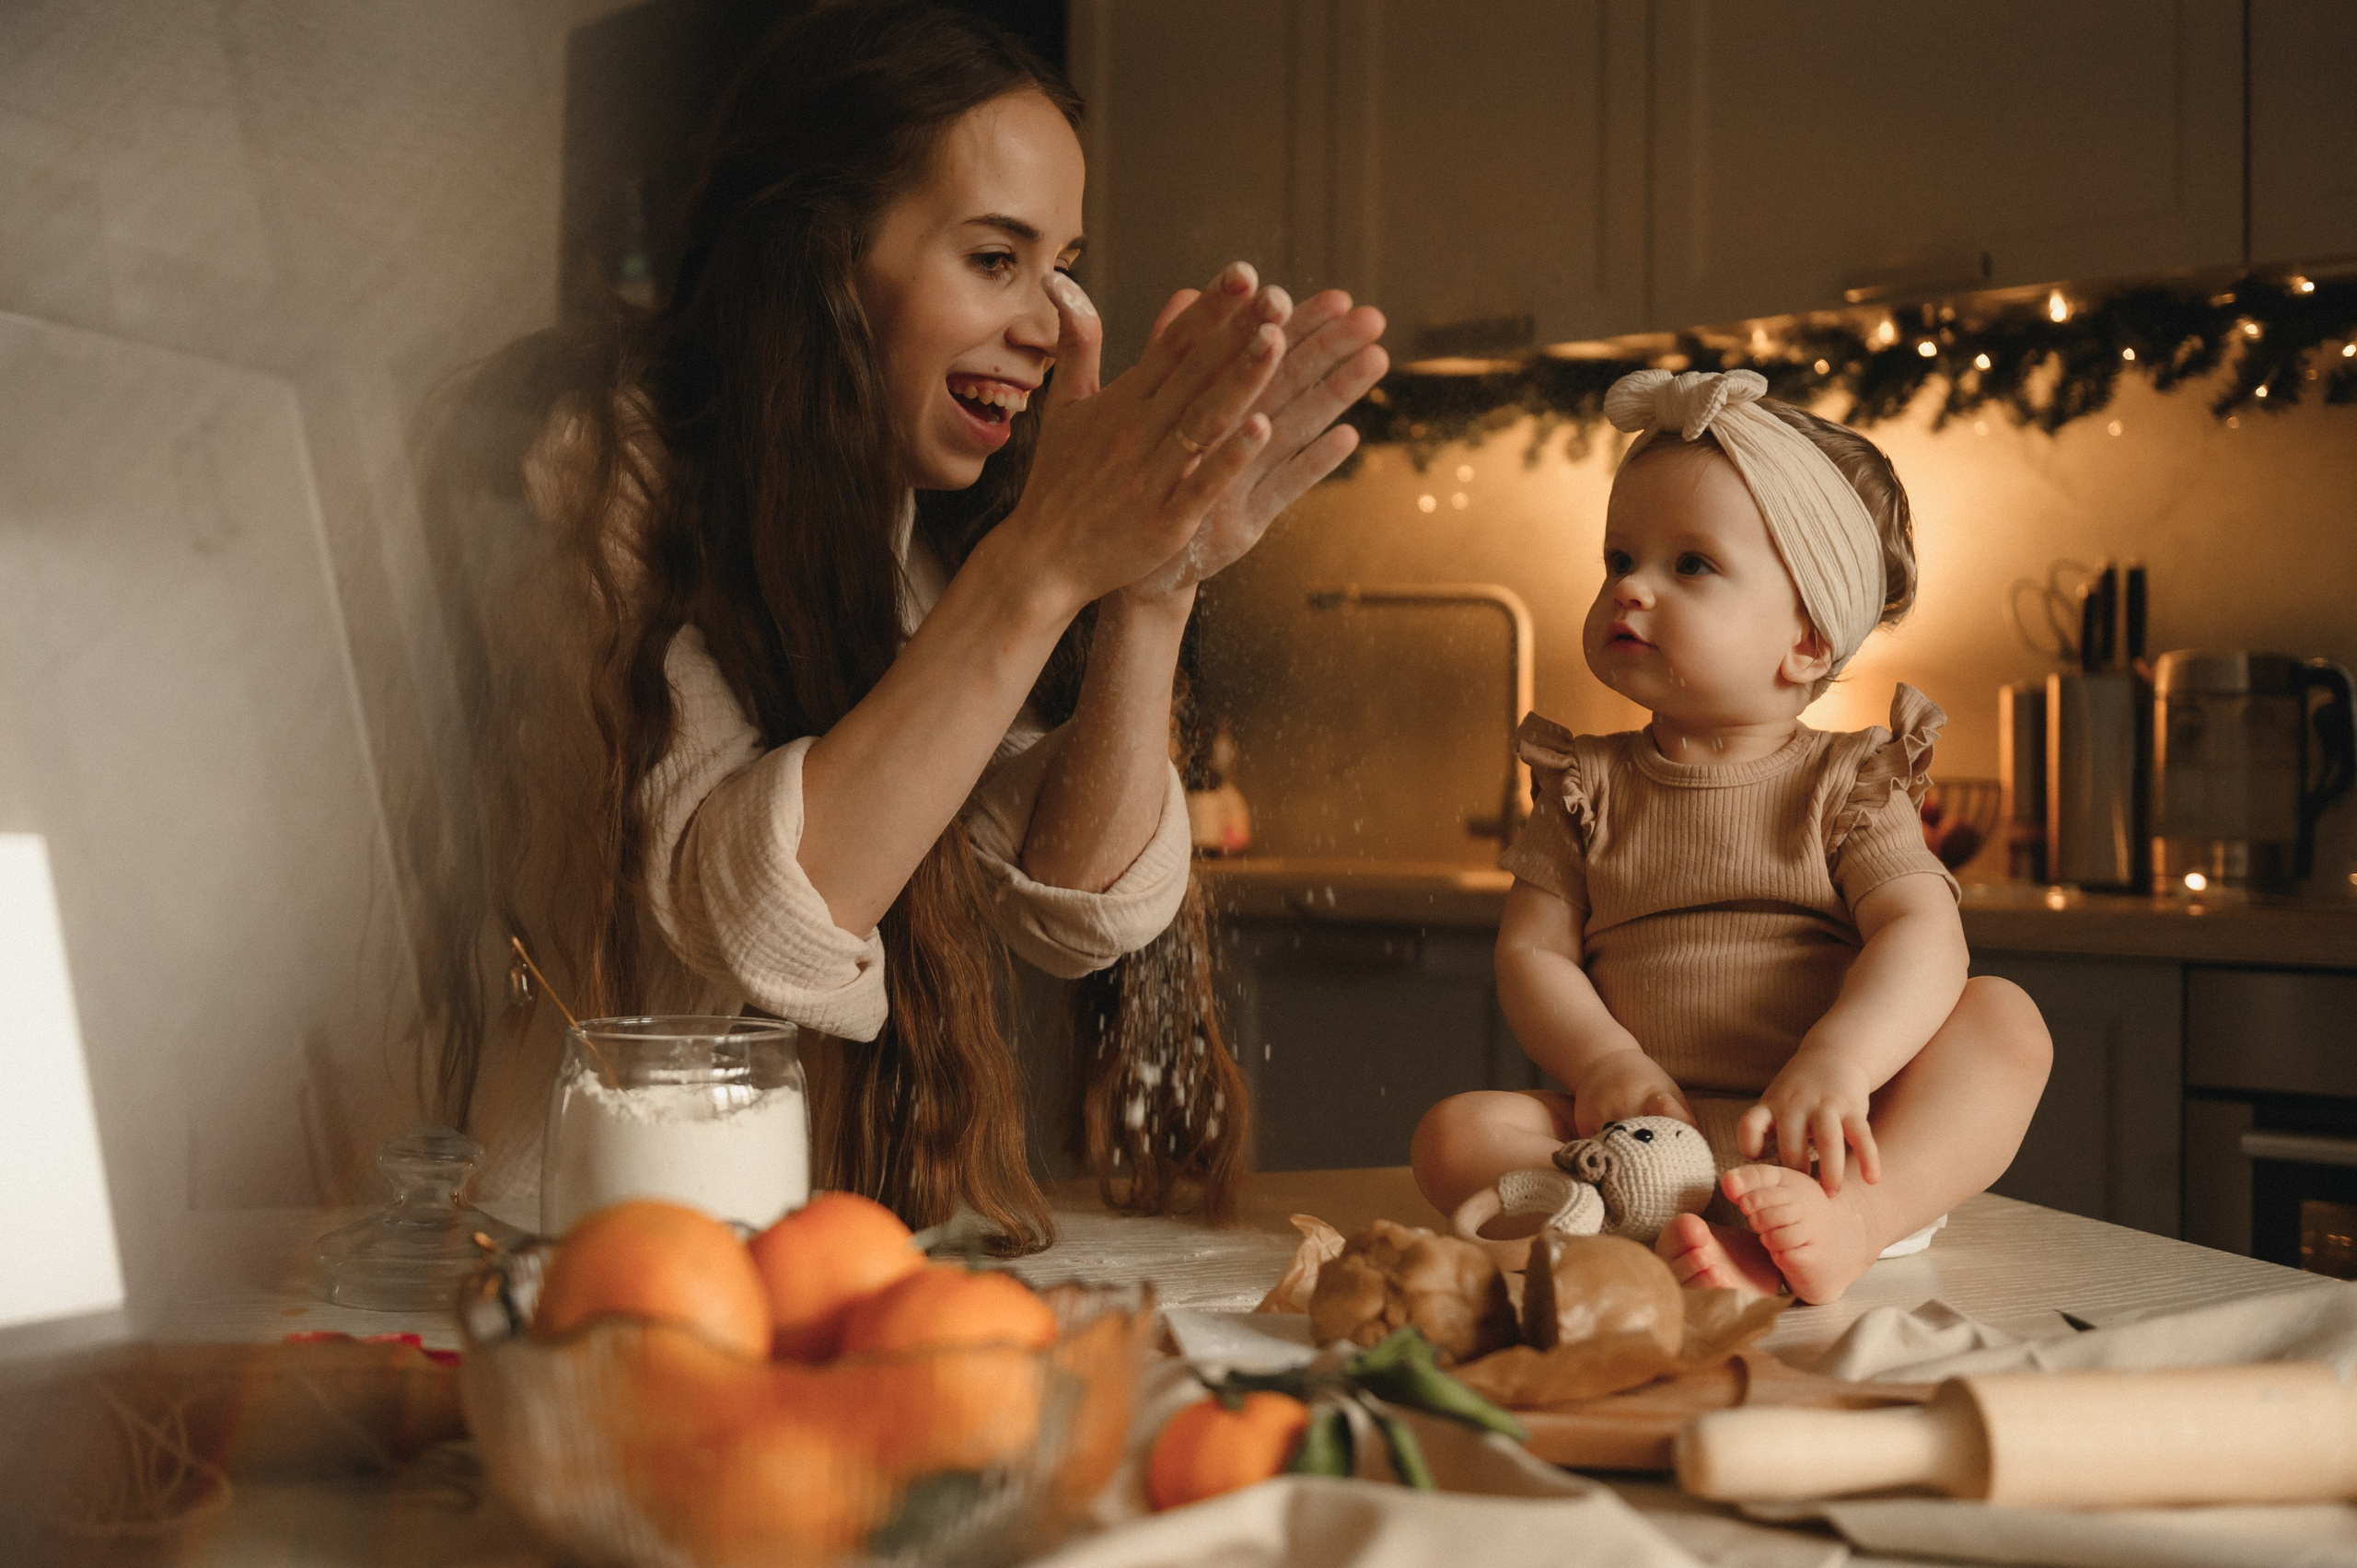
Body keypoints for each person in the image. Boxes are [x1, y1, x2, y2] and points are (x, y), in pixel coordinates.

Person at [415, 0, 1387, 1249]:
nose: (1049, 325)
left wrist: (1155, 580)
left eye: (1063, 266)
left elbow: (1076, 901)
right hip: (562, 1248)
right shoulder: (601, 475)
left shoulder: (914, 536)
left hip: (800, 1254)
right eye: (995, 259)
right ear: (819, 261)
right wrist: (1043, 561)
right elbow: (766, 910)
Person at [1410, 368, 2051, 1303]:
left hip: (1821, 1140)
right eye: (1619, 559)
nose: (1631, 588)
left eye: (1690, 565)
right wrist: (1605, 1064)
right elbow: (1532, 952)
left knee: (2005, 1020)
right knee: (1455, 1134)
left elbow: (1923, 935)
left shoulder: (1848, 785)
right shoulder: (1583, 787)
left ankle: (1856, 1223)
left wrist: (1838, 1063)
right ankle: (1659, 1226)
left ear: (1805, 640)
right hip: (1640, 1138)